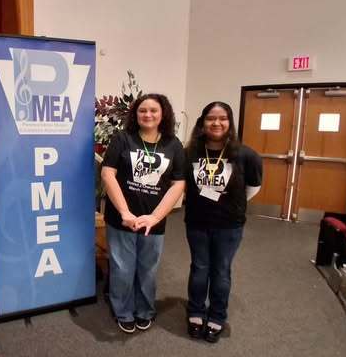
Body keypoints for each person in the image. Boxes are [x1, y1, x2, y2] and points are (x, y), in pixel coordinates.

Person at [101, 93, 186, 333]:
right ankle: (123, 310)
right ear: (135, 114)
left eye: (153, 111)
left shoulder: (173, 144)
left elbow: (178, 184)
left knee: (148, 268)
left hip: (154, 220)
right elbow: (108, 174)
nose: (147, 115)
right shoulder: (123, 139)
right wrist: (125, 212)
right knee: (122, 267)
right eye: (142, 110)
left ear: (163, 115)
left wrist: (156, 217)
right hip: (122, 218)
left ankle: (145, 310)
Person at [184, 101, 262, 343]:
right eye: (210, 118)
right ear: (202, 122)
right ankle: (196, 311)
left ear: (230, 123)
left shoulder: (245, 154)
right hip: (197, 222)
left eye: (222, 118)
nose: (216, 123)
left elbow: (253, 187)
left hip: (229, 225)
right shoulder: (190, 153)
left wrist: (231, 205)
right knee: (199, 268)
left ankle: (217, 315)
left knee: (220, 271)